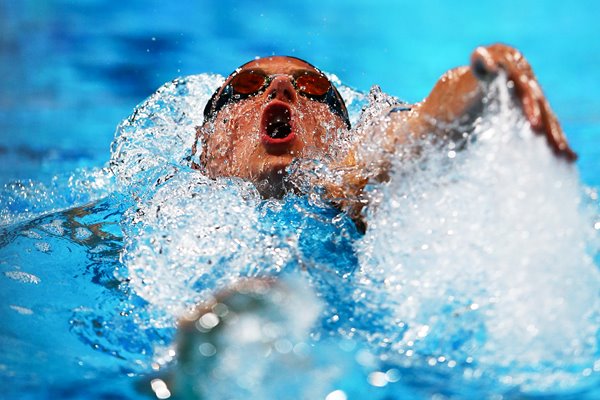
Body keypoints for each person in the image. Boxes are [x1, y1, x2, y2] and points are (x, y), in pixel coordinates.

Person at [192, 44, 576, 222]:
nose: (282, 90)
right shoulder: (159, 224)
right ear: (207, 144)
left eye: (312, 87)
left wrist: (494, 71)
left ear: (340, 138)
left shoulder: (349, 189)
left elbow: (426, 123)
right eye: (246, 85)